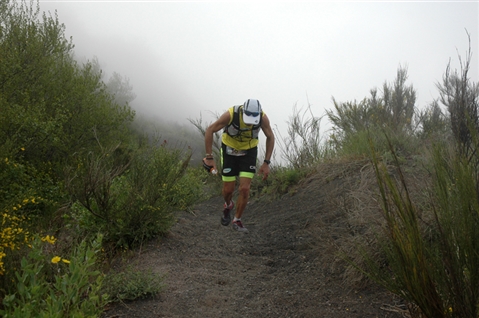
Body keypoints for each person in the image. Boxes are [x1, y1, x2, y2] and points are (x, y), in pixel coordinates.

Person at [203, 99, 275, 232]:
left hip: (248, 152)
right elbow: (210, 130)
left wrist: (266, 162)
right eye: (247, 118)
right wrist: (209, 157)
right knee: (228, 190)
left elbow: (270, 137)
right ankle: (228, 204)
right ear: (243, 111)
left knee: (245, 189)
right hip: (229, 150)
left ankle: (237, 220)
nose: (249, 122)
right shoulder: (231, 114)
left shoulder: (263, 118)